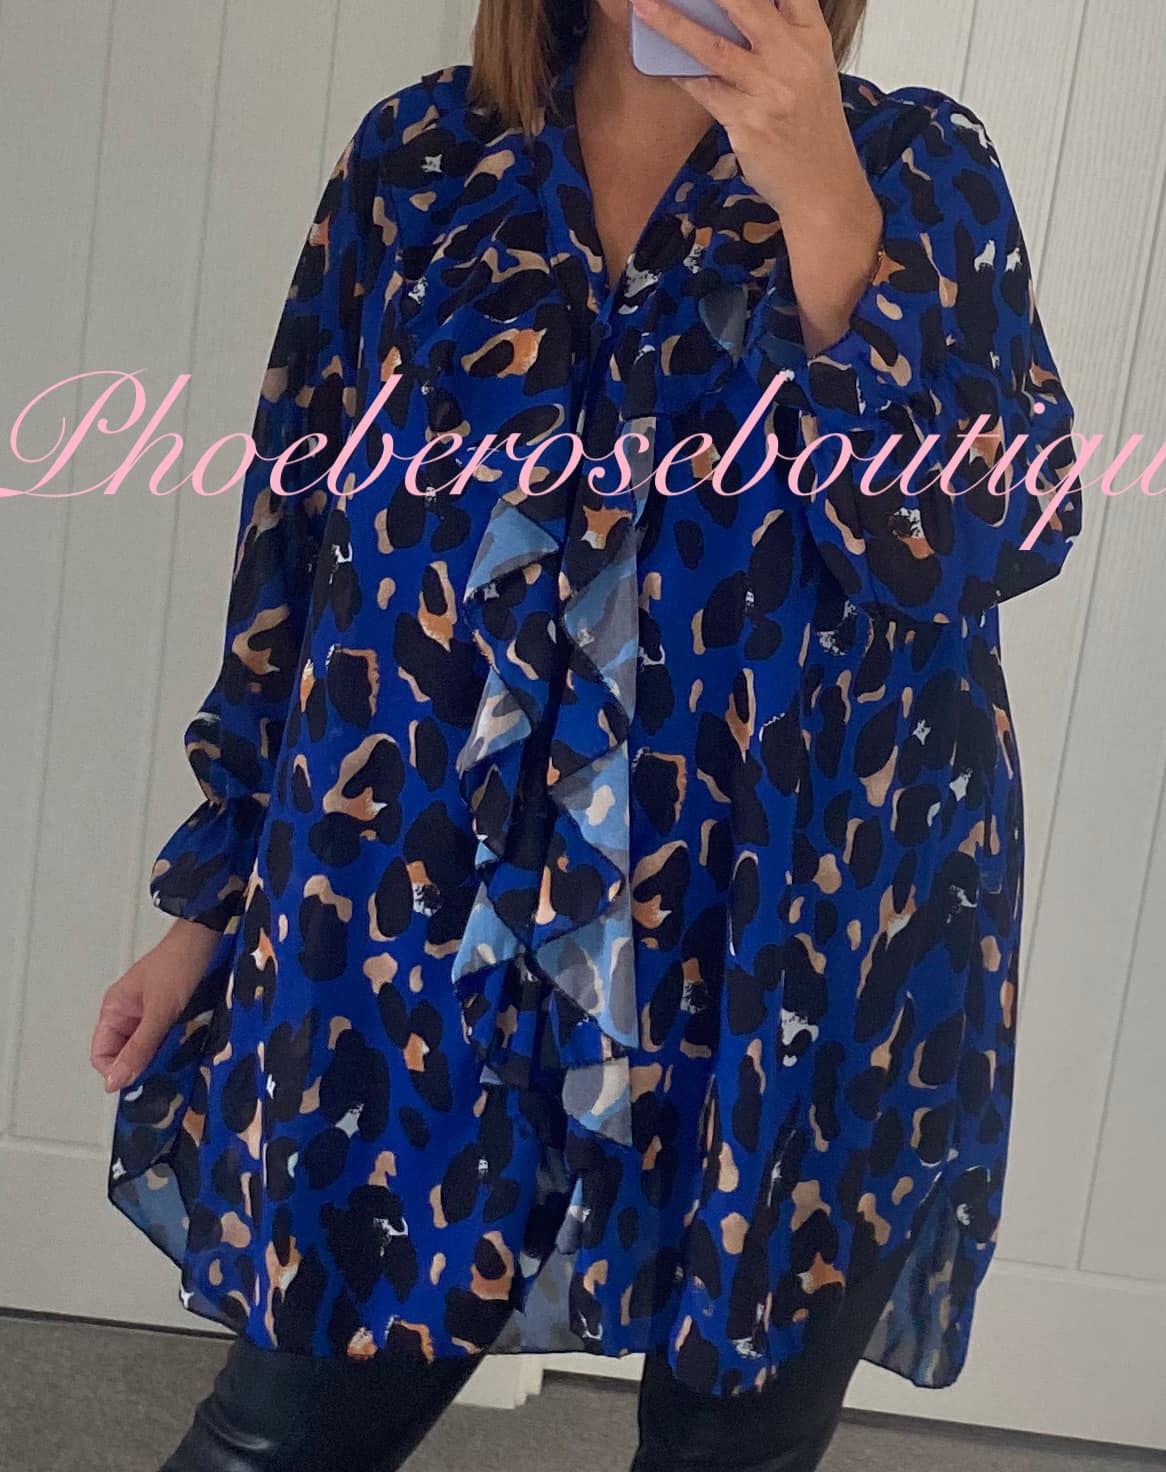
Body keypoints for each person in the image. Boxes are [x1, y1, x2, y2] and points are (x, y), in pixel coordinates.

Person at [89, 0, 1084, 1467]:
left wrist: (826, 206)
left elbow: (987, 537)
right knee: (277, 1439)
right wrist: (209, 904)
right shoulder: (419, 164)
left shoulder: (917, 170)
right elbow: (296, 572)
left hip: (793, 958)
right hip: (418, 931)